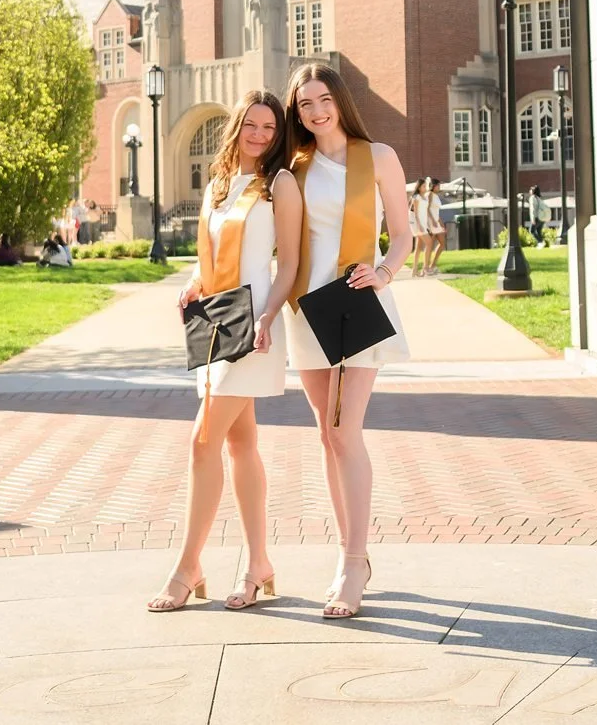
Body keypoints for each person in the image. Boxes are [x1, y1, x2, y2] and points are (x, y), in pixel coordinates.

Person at [148, 90, 303, 614]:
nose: (260, 135)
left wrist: (267, 317)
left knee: (202, 442)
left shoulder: (278, 185)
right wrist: (193, 283)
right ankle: (259, 562)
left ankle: (188, 566)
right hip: (217, 323)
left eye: (269, 128)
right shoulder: (218, 186)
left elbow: (288, 265)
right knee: (240, 445)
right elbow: (209, 256)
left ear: (278, 135)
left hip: (254, 329)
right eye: (251, 125)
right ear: (236, 127)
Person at [284, 62, 413, 619]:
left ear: (339, 99)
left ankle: (352, 560)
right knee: (326, 436)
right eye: (304, 104)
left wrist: (385, 273)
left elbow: (404, 235)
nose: (315, 111)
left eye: (322, 99)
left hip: (359, 301)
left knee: (345, 430)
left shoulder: (378, 156)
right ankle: (349, 557)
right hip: (307, 307)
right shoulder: (294, 167)